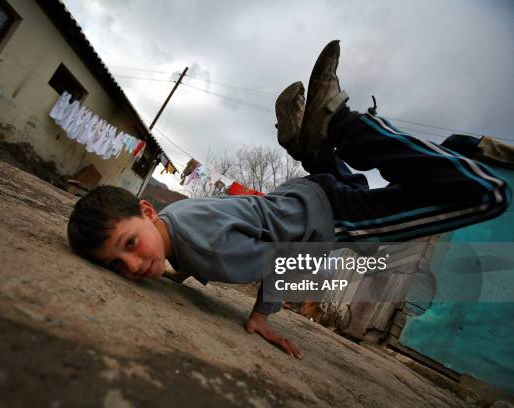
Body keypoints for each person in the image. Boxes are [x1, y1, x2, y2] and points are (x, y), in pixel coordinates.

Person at [66, 41, 511, 359]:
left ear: (145, 210)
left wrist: (262, 316)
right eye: (117, 266)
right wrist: (177, 269)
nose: (132, 267)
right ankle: (308, 145)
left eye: (128, 245)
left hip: (332, 220)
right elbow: (206, 241)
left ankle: (342, 126)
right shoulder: (177, 215)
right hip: (304, 197)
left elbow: (282, 263)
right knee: (366, 184)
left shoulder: (204, 249)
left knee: (486, 194)